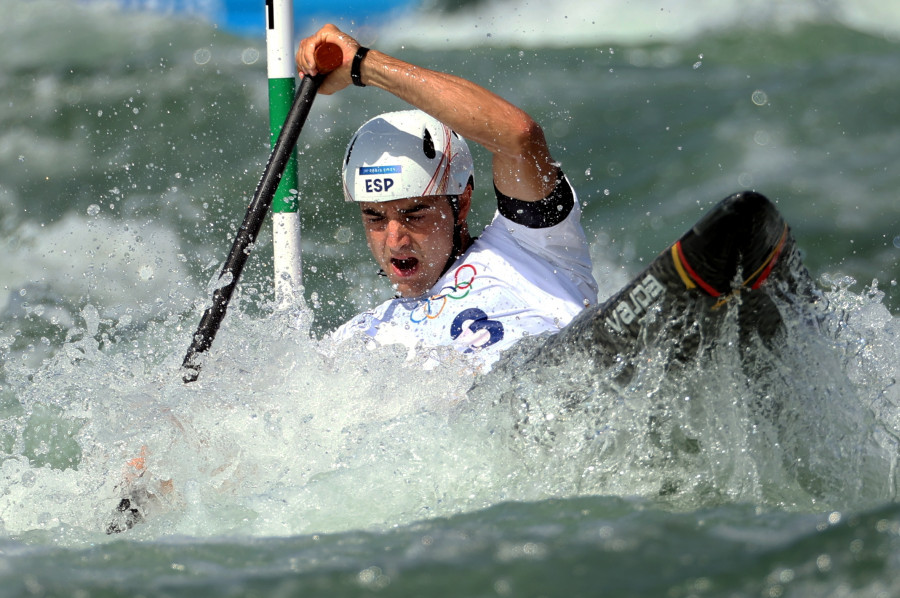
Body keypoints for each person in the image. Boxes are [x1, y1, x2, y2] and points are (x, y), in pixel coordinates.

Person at [296, 25, 598, 371]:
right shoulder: (359, 339)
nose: (395, 240)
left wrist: (363, 64)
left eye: (414, 214)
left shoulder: (528, 248)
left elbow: (518, 136)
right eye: (375, 218)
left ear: (463, 202)